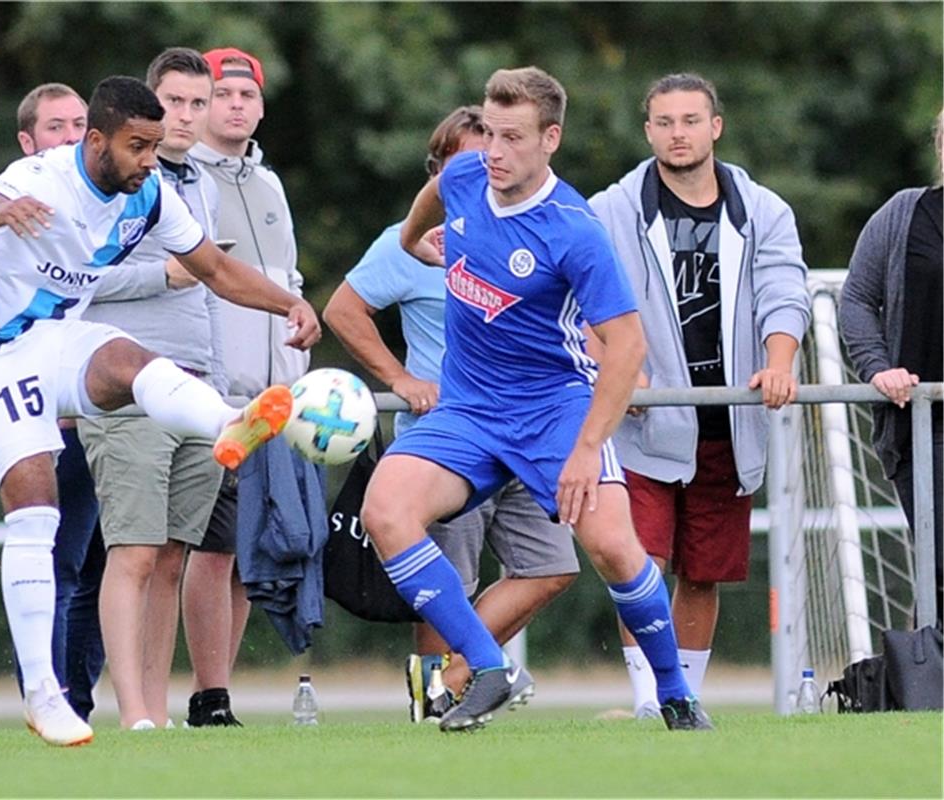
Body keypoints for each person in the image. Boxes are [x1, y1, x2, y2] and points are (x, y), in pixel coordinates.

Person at [0, 75, 319, 746]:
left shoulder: (149, 196)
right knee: (36, 506)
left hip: (58, 339)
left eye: (155, 147)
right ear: (96, 140)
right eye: (138, 146)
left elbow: (215, 269)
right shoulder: (45, 177)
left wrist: (288, 303)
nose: (151, 160)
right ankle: (42, 694)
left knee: (131, 360)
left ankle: (225, 424)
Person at [360, 66, 712, 733]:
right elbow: (435, 191)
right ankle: (488, 668)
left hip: (554, 412)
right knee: (386, 509)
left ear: (550, 139)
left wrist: (585, 450)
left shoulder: (573, 230)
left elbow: (628, 347)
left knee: (612, 548)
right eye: (489, 133)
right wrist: (411, 243)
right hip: (467, 410)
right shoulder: (468, 178)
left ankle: (676, 695)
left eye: (512, 137)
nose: (494, 150)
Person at [323, 105, 579, 722]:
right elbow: (342, 310)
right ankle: (431, 703)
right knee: (448, 586)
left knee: (552, 567)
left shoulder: (534, 228)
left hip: (528, 434)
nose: (487, 164)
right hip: (449, 440)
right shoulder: (406, 241)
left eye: (495, 148)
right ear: (438, 174)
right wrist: (400, 378)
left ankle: (462, 671)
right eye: (468, 158)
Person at [587, 73, 810, 717]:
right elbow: (576, 302)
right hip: (643, 423)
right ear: (648, 129)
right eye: (665, 121)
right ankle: (649, 701)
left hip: (731, 423)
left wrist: (777, 365)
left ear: (716, 127)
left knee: (704, 573)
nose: (678, 133)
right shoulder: (611, 209)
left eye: (691, 120)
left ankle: (684, 698)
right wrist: (618, 366)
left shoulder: (764, 210)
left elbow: (783, 293)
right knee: (640, 561)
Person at [77, 48, 226, 730]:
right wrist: (160, 276)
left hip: (197, 389)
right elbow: (79, 280)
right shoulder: (110, 183)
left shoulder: (206, 184)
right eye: (175, 103)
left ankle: (158, 716)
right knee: (133, 552)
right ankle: (133, 713)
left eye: (200, 103)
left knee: (173, 557)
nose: (187, 117)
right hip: (133, 388)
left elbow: (213, 294)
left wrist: (220, 387)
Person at [185, 47, 317, 726]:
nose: (235, 104)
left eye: (246, 94)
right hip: (218, 397)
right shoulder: (188, 183)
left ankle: (219, 692)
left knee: (243, 554)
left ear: (261, 106)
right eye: (221, 94)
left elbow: (284, 282)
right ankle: (207, 696)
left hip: (274, 401)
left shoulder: (268, 185)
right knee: (210, 550)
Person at [10, 82, 106, 722]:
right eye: (55, 127)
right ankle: (47, 695)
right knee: (56, 561)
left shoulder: (107, 197)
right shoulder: (19, 202)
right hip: (40, 416)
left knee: (97, 567)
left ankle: (82, 696)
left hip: (97, 412)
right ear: (28, 142)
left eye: (79, 124)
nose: (70, 136)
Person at [840, 109, 943, 628]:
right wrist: (878, 368)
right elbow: (857, 298)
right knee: (940, 559)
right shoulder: (905, 214)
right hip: (924, 427)